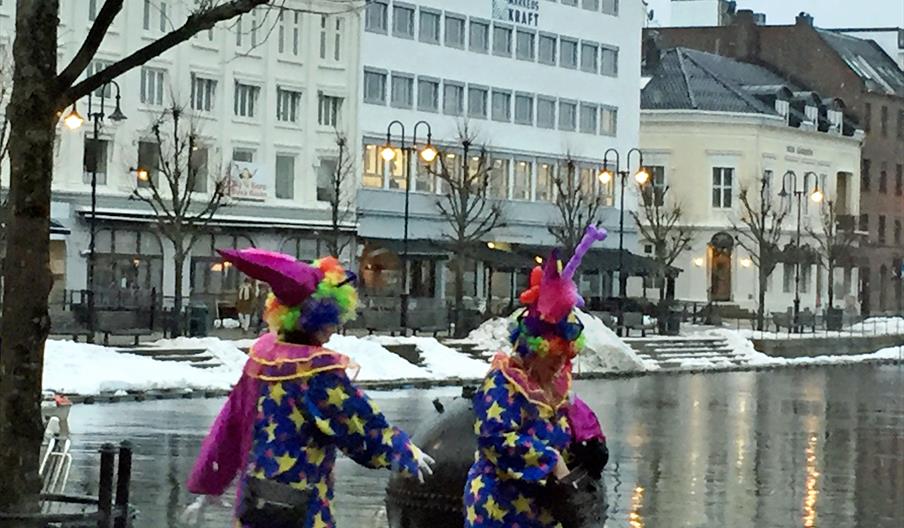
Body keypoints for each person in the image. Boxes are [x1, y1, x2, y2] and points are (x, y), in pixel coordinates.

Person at [182, 248, 434, 528]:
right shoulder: (317, 371)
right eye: (331, 320)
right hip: (302, 507)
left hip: (255, 501)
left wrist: (210, 483)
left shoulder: (261, 359)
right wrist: (400, 449)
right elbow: (356, 425)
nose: (334, 329)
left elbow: (229, 424)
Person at [463, 226, 607, 528]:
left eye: (564, 359)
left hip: (546, 513)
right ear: (533, 350)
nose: (559, 367)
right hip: (501, 511)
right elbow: (495, 438)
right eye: (553, 359)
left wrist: (590, 445)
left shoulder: (556, 386)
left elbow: (576, 420)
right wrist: (550, 459)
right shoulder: (503, 383)